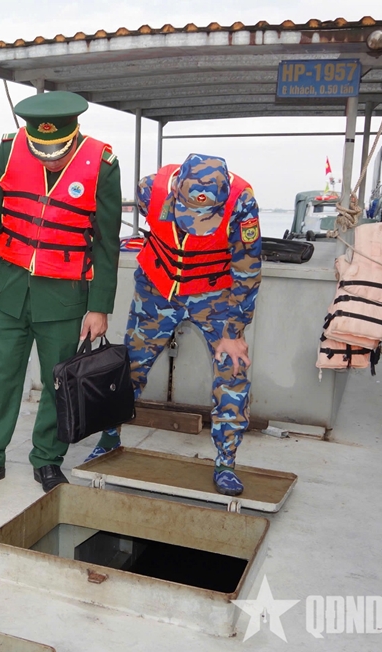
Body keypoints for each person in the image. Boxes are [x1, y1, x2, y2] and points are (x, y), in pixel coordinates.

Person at [0, 91, 122, 494]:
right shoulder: (9, 149)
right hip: (11, 289)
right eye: (41, 152)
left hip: (65, 296)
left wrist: (99, 307)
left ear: (74, 134)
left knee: (57, 383)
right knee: (2, 377)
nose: (49, 160)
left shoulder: (102, 163)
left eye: (57, 153)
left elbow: (106, 243)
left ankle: (48, 459)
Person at [85, 153, 261, 497]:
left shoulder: (242, 202)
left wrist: (234, 331)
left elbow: (248, 270)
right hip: (157, 287)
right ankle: (109, 437)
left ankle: (226, 462)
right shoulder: (149, 189)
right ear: (176, 188)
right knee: (130, 366)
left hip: (213, 295)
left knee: (233, 371)